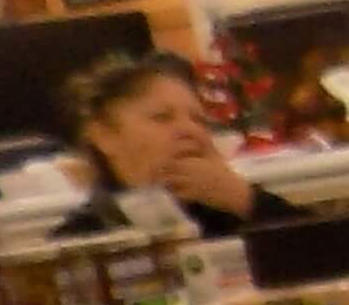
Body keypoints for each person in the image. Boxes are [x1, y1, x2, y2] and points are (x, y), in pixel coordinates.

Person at [44, 51, 268, 238]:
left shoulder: (233, 212)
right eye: (162, 117)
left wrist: (246, 200)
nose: (190, 130)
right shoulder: (79, 240)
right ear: (104, 136)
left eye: (198, 119)